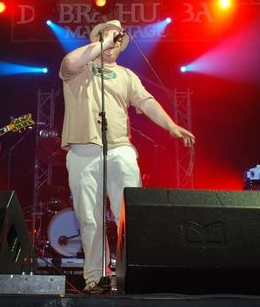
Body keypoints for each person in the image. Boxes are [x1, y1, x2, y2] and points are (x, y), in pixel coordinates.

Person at [60, 19, 196, 292]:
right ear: (96, 40)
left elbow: (146, 102)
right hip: (82, 150)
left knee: (128, 213)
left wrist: (171, 125)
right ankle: (95, 277)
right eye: (107, 37)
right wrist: (102, 44)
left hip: (119, 147)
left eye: (117, 38)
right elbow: (69, 62)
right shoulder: (79, 68)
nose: (113, 42)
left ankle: (131, 273)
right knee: (89, 218)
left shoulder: (126, 75)